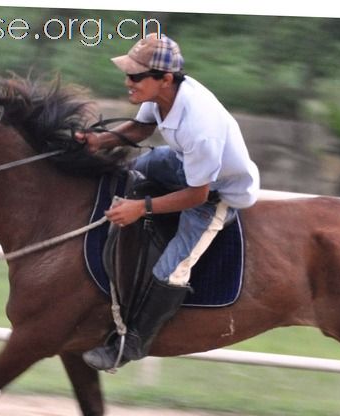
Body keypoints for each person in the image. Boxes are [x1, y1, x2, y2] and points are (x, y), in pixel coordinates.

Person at [76, 33, 260, 371]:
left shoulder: (200, 128)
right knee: (133, 170)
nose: (128, 81)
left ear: (165, 79)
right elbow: (140, 130)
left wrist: (139, 209)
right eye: (127, 74)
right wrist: (96, 142)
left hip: (216, 194)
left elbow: (197, 195)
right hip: (180, 163)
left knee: (172, 268)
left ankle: (129, 345)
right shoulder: (162, 95)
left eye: (135, 76)